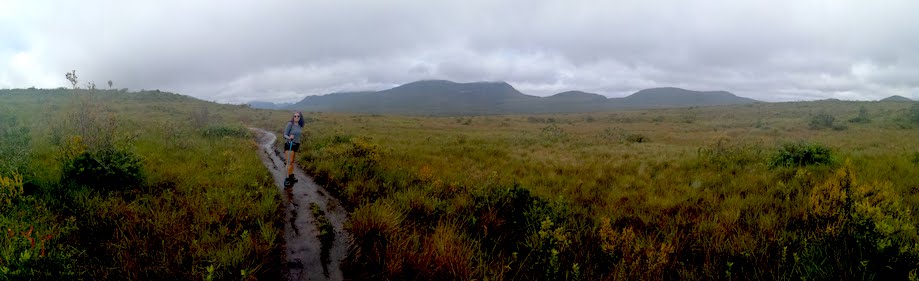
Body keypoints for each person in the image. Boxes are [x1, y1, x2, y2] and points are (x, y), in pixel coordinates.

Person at [283, 111, 304, 184]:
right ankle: (287, 179)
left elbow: (298, 135)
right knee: (289, 162)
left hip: (296, 145)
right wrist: (289, 137)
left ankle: (291, 176)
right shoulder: (290, 124)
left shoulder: (299, 125)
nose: (296, 117)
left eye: (298, 116)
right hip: (289, 144)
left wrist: (299, 142)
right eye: (295, 116)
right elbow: (284, 134)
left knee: (292, 162)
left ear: (300, 117)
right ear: (293, 117)